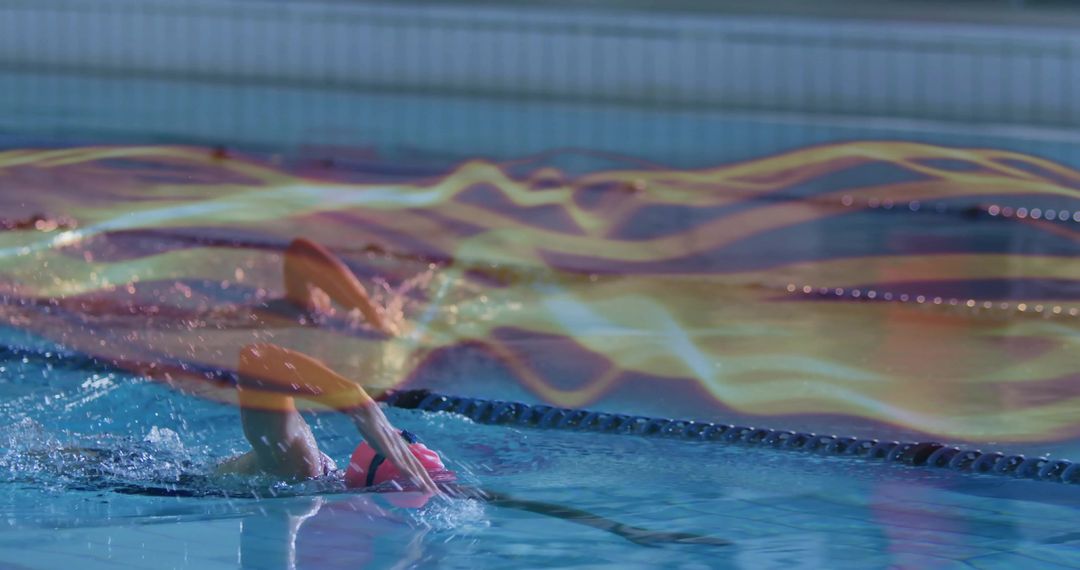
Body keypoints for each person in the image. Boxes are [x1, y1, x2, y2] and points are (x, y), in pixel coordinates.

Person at [212, 237, 441, 494]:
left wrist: (358, 403)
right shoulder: (315, 469)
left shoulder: (301, 467)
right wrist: (375, 320)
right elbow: (301, 253)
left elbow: (257, 361)